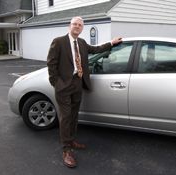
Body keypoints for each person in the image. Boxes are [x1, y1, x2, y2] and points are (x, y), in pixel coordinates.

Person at [47, 16, 122, 168]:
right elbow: (51, 63)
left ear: (82, 28)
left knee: (74, 115)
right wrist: (57, 84)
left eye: (80, 25)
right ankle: (66, 150)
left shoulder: (81, 42)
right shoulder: (59, 41)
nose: (77, 26)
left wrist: (111, 43)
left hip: (78, 83)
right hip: (63, 86)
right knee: (66, 117)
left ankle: (72, 140)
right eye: (75, 24)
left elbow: (96, 49)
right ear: (70, 26)